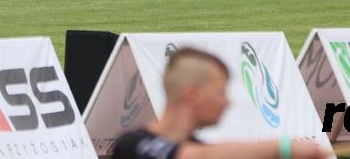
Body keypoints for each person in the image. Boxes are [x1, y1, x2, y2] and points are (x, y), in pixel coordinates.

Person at [112, 48, 327, 159]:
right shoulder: (133, 146)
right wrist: (284, 148)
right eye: (220, 93)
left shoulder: (198, 147)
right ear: (192, 95)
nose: (227, 102)